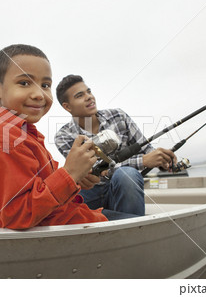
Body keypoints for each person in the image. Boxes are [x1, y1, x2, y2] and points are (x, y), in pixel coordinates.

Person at [0, 45, 109, 230]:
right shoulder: (2, 138)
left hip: (69, 221)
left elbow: (42, 186)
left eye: (45, 85)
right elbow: (14, 216)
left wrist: (78, 178)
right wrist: (70, 174)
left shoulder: (23, 134)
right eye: (24, 83)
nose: (39, 94)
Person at [54, 74, 177, 216]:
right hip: (89, 193)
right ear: (67, 107)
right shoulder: (63, 136)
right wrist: (142, 161)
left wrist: (162, 160)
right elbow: (95, 170)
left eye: (89, 91)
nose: (89, 97)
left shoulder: (119, 115)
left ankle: (130, 228)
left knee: (127, 174)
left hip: (121, 187)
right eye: (80, 95)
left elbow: (147, 150)